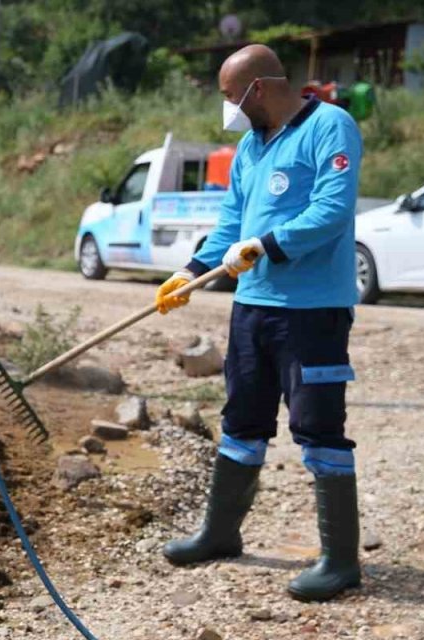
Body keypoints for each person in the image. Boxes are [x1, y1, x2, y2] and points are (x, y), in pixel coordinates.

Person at [155, 44, 364, 602]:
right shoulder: (250, 145)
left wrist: (267, 244)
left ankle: (341, 561)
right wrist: (192, 269)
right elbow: (232, 223)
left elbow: (333, 209)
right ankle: (219, 533)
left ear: (260, 87)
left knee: (319, 426)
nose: (228, 109)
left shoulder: (330, 126)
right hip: (253, 308)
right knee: (242, 419)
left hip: (312, 312)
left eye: (230, 97)